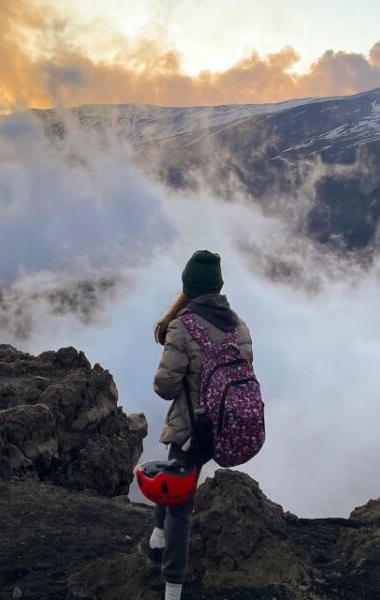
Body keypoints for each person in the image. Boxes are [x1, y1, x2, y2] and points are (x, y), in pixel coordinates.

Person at [144, 250, 253, 600]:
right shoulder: (238, 324)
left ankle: (173, 586)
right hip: (229, 424)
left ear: (187, 285)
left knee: (179, 503)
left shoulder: (182, 325)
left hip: (192, 427)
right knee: (178, 474)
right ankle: (157, 537)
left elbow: (165, 387)